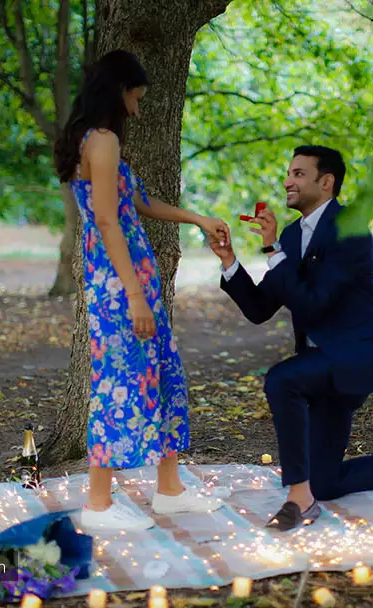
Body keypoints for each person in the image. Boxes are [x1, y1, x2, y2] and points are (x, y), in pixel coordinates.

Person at [209, 145, 373, 531]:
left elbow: (315, 306)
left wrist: (271, 249)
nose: (287, 181)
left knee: (283, 379)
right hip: (323, 361)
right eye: (288, 173)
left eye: (298, 174)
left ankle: (298, 498)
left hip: (358, 354)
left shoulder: (351, 230)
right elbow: (260, 309)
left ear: (326, 182)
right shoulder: (292, 237)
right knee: (325, 482)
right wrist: (230, 261)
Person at [53, 49, 229, 530]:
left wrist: (197, 219)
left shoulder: (96, 141)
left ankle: (170, 490)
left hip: (133, 277)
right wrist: (132, 294)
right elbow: (107, 220)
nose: (138, 108)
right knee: (119, 384)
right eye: (135, 97)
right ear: (118, 91)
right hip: (118, 283)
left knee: (162, 373)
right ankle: (98, 505)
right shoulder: (102, 141)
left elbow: (141, 205)